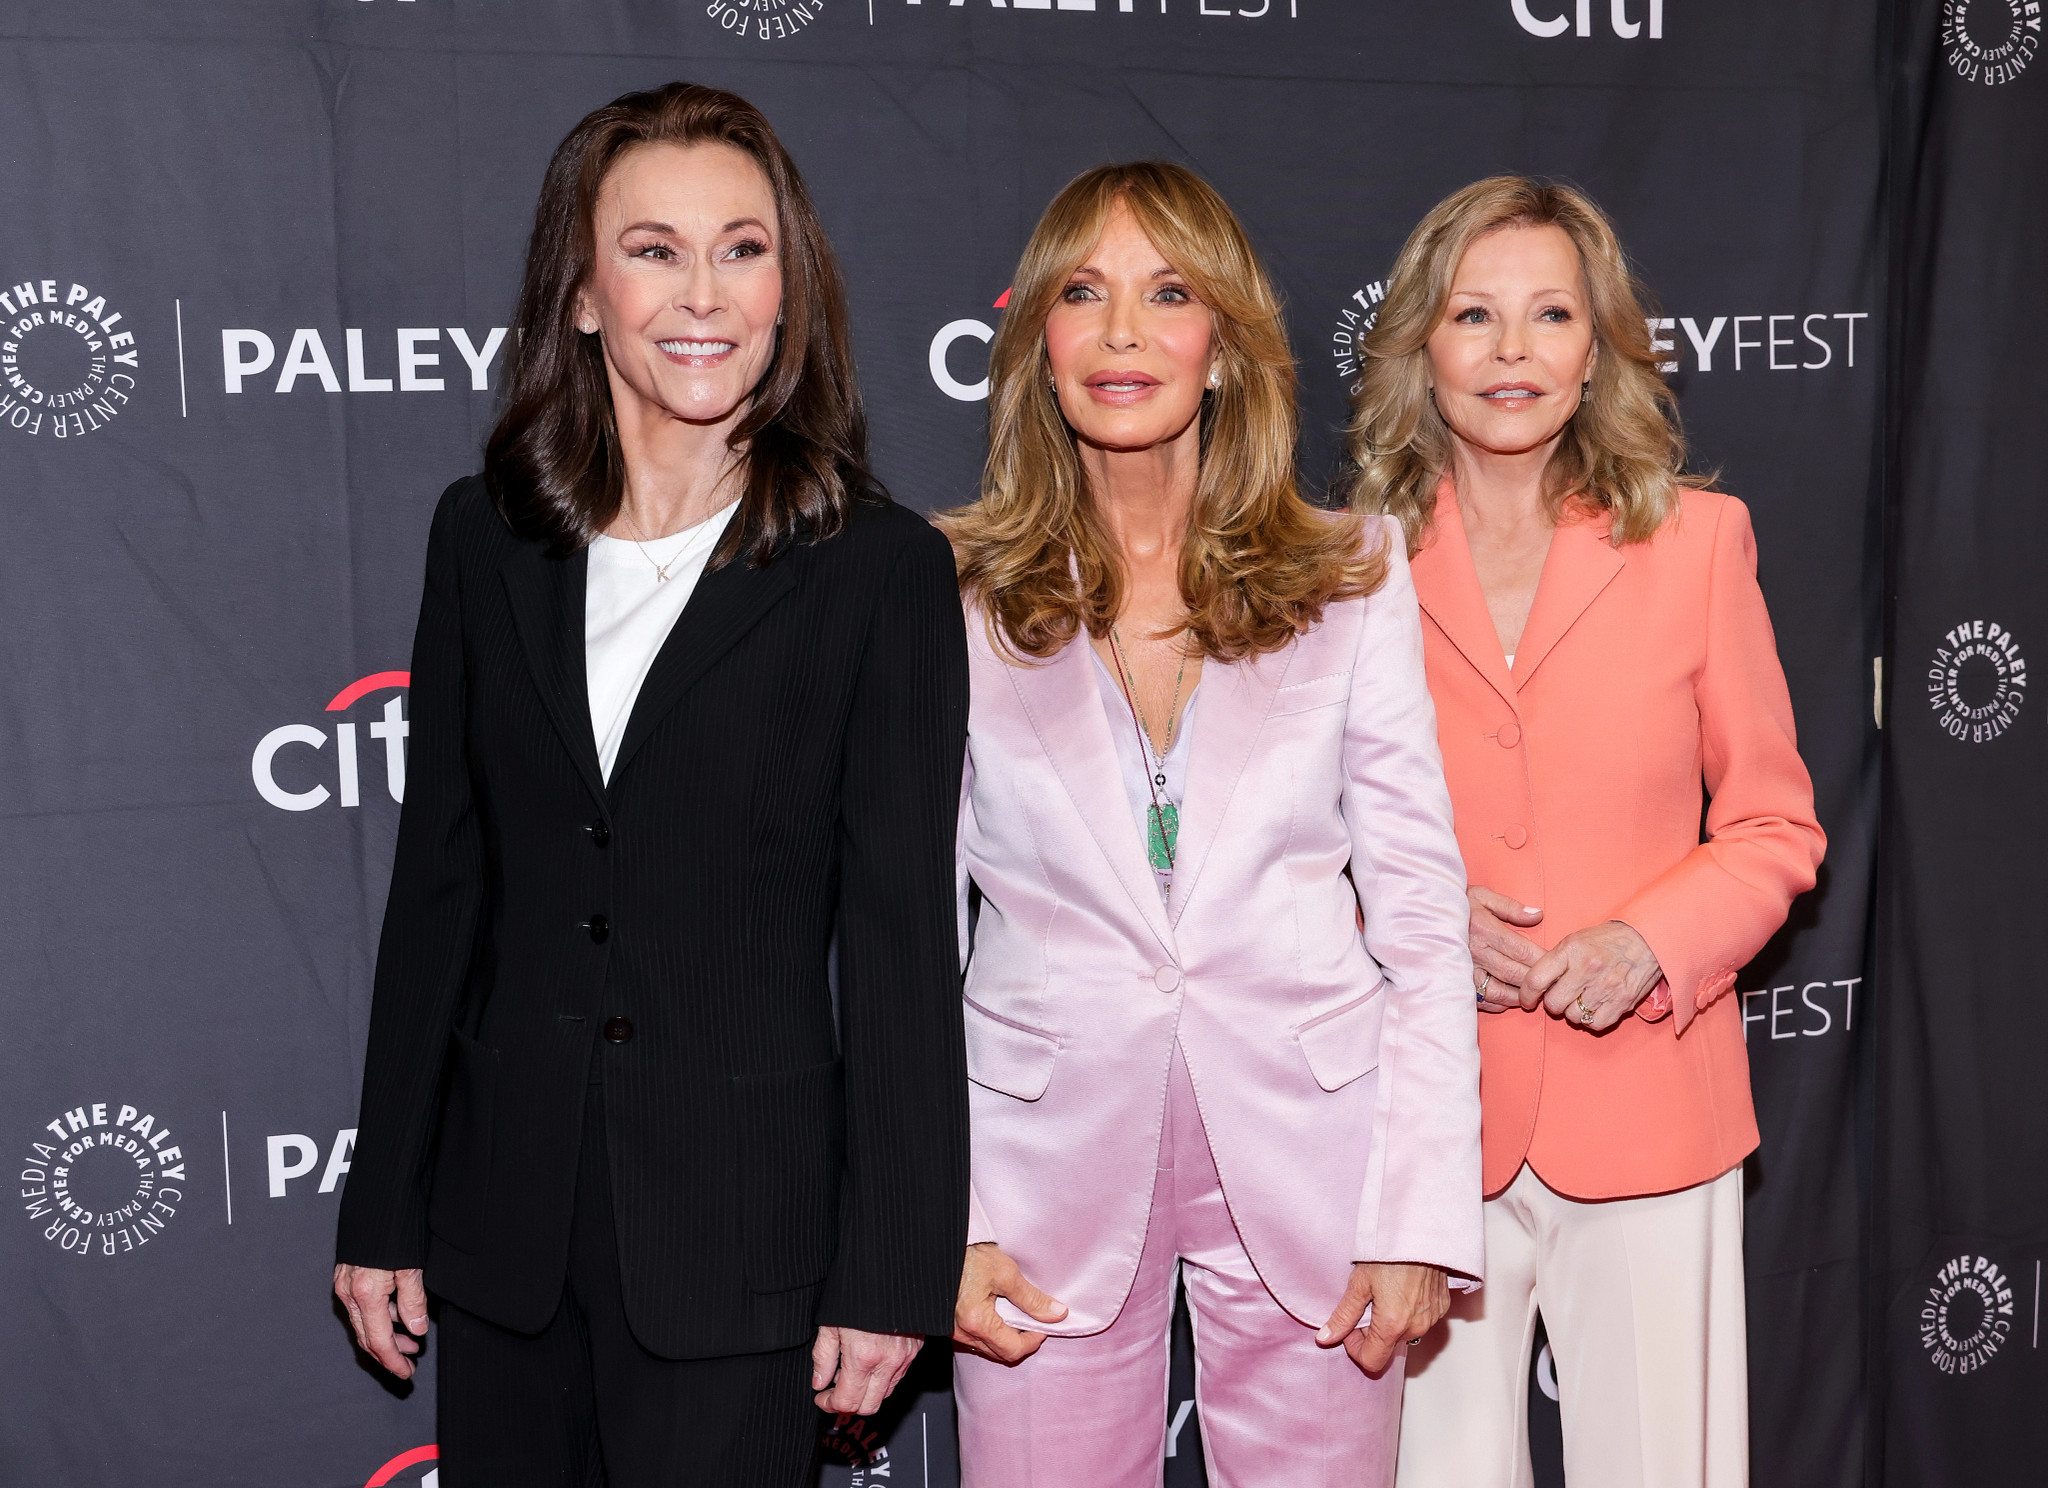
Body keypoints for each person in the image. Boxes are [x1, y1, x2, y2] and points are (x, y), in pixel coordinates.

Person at [331, 82, 969, 1486]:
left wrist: (894, 1268)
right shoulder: (482, 540)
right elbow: (441, 890)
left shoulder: (879, 572)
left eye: (744, 249)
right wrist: (384, 1201)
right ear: (580, 291)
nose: (704, 294)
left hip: (741, 1246)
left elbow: (907, 945)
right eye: (654, 248)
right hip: (508, 1235)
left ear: (790, 288)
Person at [940, 161, 1482, 1488]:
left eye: (1168, 292)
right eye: (1085, 292)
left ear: (1225, 346)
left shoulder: (1353, 576)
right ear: (1041, 348)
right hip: (1030, 1180)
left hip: (1319, 1170)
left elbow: (1417, 915)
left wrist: (1416, 1212)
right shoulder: (942, 592)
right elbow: (898, 927)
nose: (1123, 330)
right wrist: (933, 1218)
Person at [1350, 177, 1825, 1488]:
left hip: (1654, 1112)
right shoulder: (1346, 570)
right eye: (1475, 316)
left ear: (1598, 347)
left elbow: (1777, 823)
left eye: (1550, 314)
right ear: (1419, 349)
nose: (1512, 352)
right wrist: (1417, 924)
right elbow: (1291, 845)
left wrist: (1647, 941)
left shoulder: (1699, 545)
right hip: (1423, 1132)